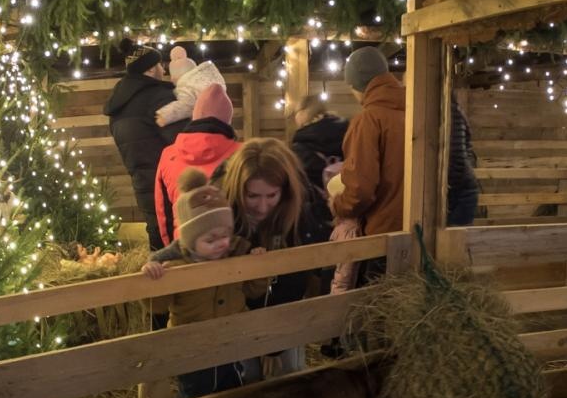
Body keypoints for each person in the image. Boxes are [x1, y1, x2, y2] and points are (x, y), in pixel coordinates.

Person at [147, 138, 329, 379]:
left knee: (288, 374)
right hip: (232, 317)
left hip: (280, 311)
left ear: (284, 191)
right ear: (238, 188)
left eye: (271, 195)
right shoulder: (218, 205)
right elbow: (186, 248)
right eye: (252, 196)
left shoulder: (296, 213)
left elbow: (296, 278)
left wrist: (275, 345)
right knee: (245, 378)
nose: (262, 207)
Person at [142, 169, 270, 398]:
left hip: (235, 342)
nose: (221, 243)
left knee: (239, 391)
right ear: (191, 240)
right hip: (192, 349)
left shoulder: (237, 254)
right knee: (196, 394)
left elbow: (253, 291)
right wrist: (155, 280)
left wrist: (257, 268)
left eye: (225, 235)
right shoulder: (174, 266)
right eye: (210, 239)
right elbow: (157, 307)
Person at [330, 46, 406, 285]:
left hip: (381, 236)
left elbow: (360, 190)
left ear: (357, 85)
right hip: (416, 232)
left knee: (374, 303)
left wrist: (338, 204)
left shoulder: (368, 120)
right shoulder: (415, 112)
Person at [105, 40, 177, 251]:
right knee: (176, 239)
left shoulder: (117, 106)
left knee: (157, 234)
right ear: (150, 68)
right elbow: (180, 139)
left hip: (141, 182)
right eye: (160, 65)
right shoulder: (157, 96)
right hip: (169, 182)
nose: (163, 70)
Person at [154, 83, 240, 246]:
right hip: (229, 246)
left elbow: (163, 212)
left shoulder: (168, 155)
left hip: (186, 247)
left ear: (195, 116)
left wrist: (172, 248)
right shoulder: (241, 153)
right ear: (227, 121)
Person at [289, 96, 350, 198]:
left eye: (296, 113)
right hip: (349, 197)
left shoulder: (301, 142)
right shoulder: (347, 130)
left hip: (318, 201)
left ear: (302, 113)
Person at [155, 46, 226, 128]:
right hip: (221, 116)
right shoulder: (207, 80)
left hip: (205, 122)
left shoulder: (186, 86)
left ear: (176, 78)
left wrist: (164, 116)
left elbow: (185, 105)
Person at [447, 101, 481, 226]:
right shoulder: (455, 110)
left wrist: (451, 186)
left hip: (460, 191)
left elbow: (459, 153)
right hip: (461, 188)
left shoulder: (451, 111)